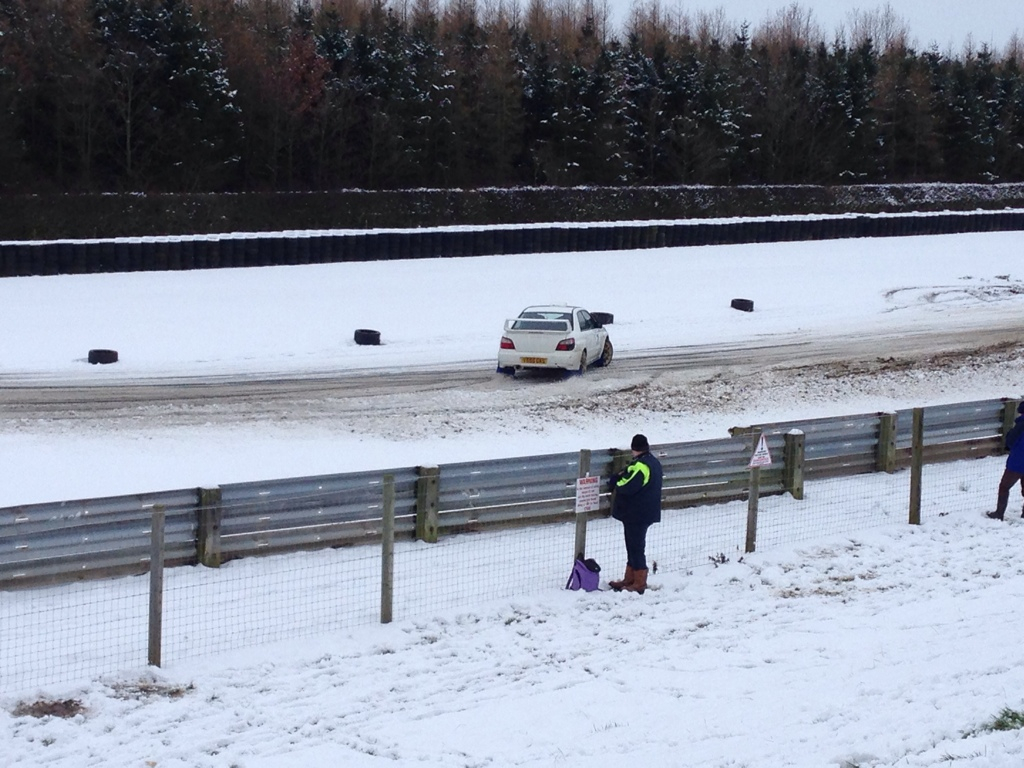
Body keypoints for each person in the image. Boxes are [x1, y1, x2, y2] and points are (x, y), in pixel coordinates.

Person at [608, 434, 663, 594]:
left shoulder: (640, 466)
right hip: (645, 511)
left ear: (634, 449)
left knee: (636, 546)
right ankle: (630, 578)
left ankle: (639, 582)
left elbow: (627, 486)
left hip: (636, 513)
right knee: (633, 545)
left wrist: (615, 481)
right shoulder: (654, 462)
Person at [986, 401, 1024, 520]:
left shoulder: (1021, 424)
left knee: (1004, 487)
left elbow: (1010, 441)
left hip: (1018, 462)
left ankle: (999, 513)